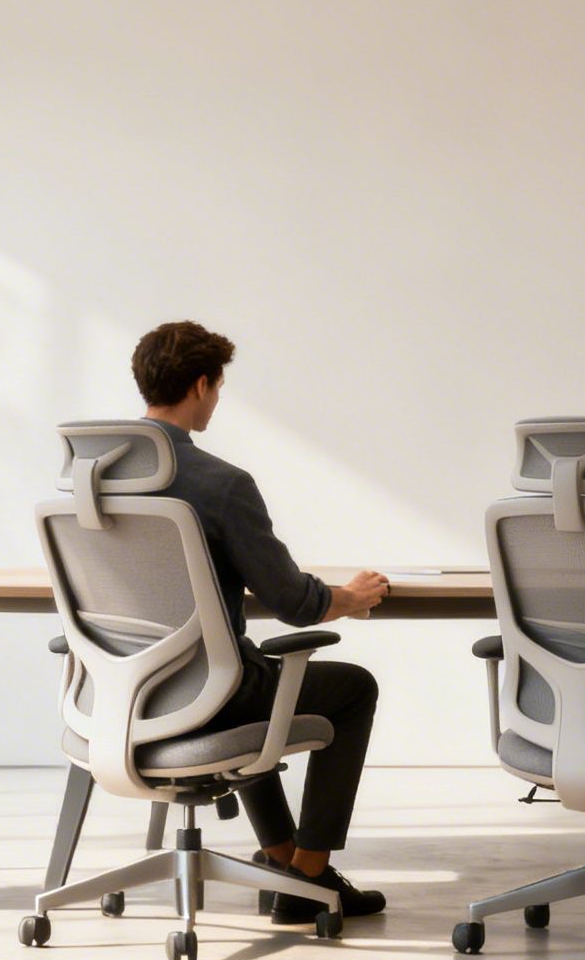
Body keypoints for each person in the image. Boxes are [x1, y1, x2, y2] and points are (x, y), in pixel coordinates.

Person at [131, 320, 391, 922]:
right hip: (211, 692)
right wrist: (351, 596)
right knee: (349, 688)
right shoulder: (221, 483)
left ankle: (280, 858)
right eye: (217, 388)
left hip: (128, 696)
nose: (216, 400)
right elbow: (296, 602)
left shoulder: (92, 479)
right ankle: (311, 874)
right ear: (201, 385)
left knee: (252, 673)